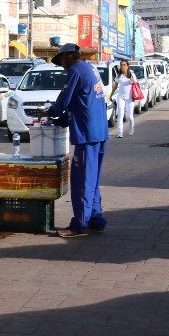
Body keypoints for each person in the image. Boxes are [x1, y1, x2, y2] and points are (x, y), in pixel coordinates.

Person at [42, 43, 109, 237]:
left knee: (81, 181)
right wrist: (61, 120)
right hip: (98, 132)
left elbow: (64, 99)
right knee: (92, 181)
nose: (62, 65)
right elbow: (80, 102)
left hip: (87, 135)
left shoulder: (76, 70)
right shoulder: (90, 68)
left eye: (61, 60)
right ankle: (96, 219)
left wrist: (51, 112)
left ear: (69, 57)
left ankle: (79, 224)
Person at [110, 59, 136, 138]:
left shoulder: (131, 74)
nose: (122, 67)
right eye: (121, 65)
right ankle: (120, 132)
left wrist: (133, 81)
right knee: (120, 114)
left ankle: (131, 128)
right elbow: (115, 86)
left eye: (124, 65)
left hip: (130, 98)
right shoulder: (119, 76)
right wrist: (111, 95)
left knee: (130, 116)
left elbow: (137, 84)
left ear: (128, 66)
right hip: (121, 97)